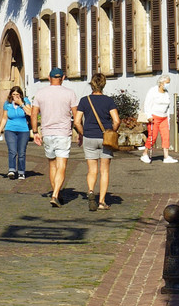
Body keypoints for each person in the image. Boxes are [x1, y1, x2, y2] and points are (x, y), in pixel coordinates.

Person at [30, 66, 78, 208]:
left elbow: (34, 114)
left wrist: (35, 132)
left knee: (52, 165)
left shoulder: (40, 93)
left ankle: (56, 193)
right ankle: (55, 194)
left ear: (49, 78)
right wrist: (79, 132)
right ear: (63, 78)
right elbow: (76, 115)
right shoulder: (70, 93)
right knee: (61, 165)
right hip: (63, 133)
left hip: (47, 133)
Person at [74, 70, 120, 212]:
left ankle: (90, 191)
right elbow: (117, 120)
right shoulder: (108, 101)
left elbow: (77, 121)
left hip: (89, 137)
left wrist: (83, 133)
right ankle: (101, 202)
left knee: (92, 170)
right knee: (104, 171)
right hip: (105, 138)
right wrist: (111, 131)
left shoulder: (84, 100)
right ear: (103, 85)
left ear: (91, 85)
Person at [141, 76, 179, 164]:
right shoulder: (153, 91)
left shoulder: (166, 93)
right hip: (154, 117)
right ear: (161, 83)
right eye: (167, 83)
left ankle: (166, 156)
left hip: (164, 117)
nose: (168, 84)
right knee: (152, 136)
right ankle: (145, 154)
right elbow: (147, 104)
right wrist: (149, 115)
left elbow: (168, 107)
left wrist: (168, 118)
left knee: (166, 136)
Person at [1, 86, 32, 179]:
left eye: (17, 94)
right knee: (12, 151)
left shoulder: (25, 101)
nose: (15, 96)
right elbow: (4, 117)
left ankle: (21, 171)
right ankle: (12, 170)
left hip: (23, 130)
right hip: (10, 129)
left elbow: (30, 113)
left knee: (21, 152)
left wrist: (21, 104)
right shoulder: (7, 103)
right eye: (13, 94)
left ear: (21, 95)